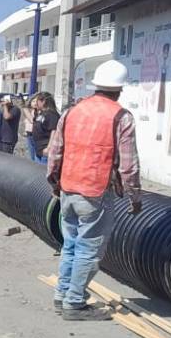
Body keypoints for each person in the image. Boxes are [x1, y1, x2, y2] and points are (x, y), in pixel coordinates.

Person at [47, 59, 142, 321]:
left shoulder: (71, 112)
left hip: (68, 188)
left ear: (96, 85)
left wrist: (54, 182)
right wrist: (134, 196)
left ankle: (62, 295)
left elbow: (55, 151)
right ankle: (74, 303)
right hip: (95, 191)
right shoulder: (121, 117)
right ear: (120, 89)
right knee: (88, 249)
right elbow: (128, 164)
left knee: (70, 244)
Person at [32, 92, 60, 165]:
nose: (35, 103)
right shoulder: (41, 113)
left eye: (37, 101)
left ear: (43, 101)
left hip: (46, 151)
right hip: (39, 150)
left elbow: (54, 131)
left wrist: (48, 148)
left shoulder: (52, 114)